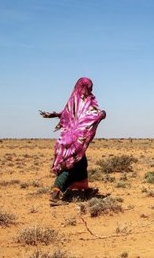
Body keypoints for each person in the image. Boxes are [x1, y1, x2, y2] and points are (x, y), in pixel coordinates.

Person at [40, 77, 106, 206]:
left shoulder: (73, 100)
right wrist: (102, 114)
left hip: (65, 139)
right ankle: (55, 194)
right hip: (77, 142)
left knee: (81, 163)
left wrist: (54, 114)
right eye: (90, 86)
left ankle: (85, 189)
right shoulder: (86, 101)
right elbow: (93, 115)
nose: (91, 89)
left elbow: (66, 114)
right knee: (69, 165)